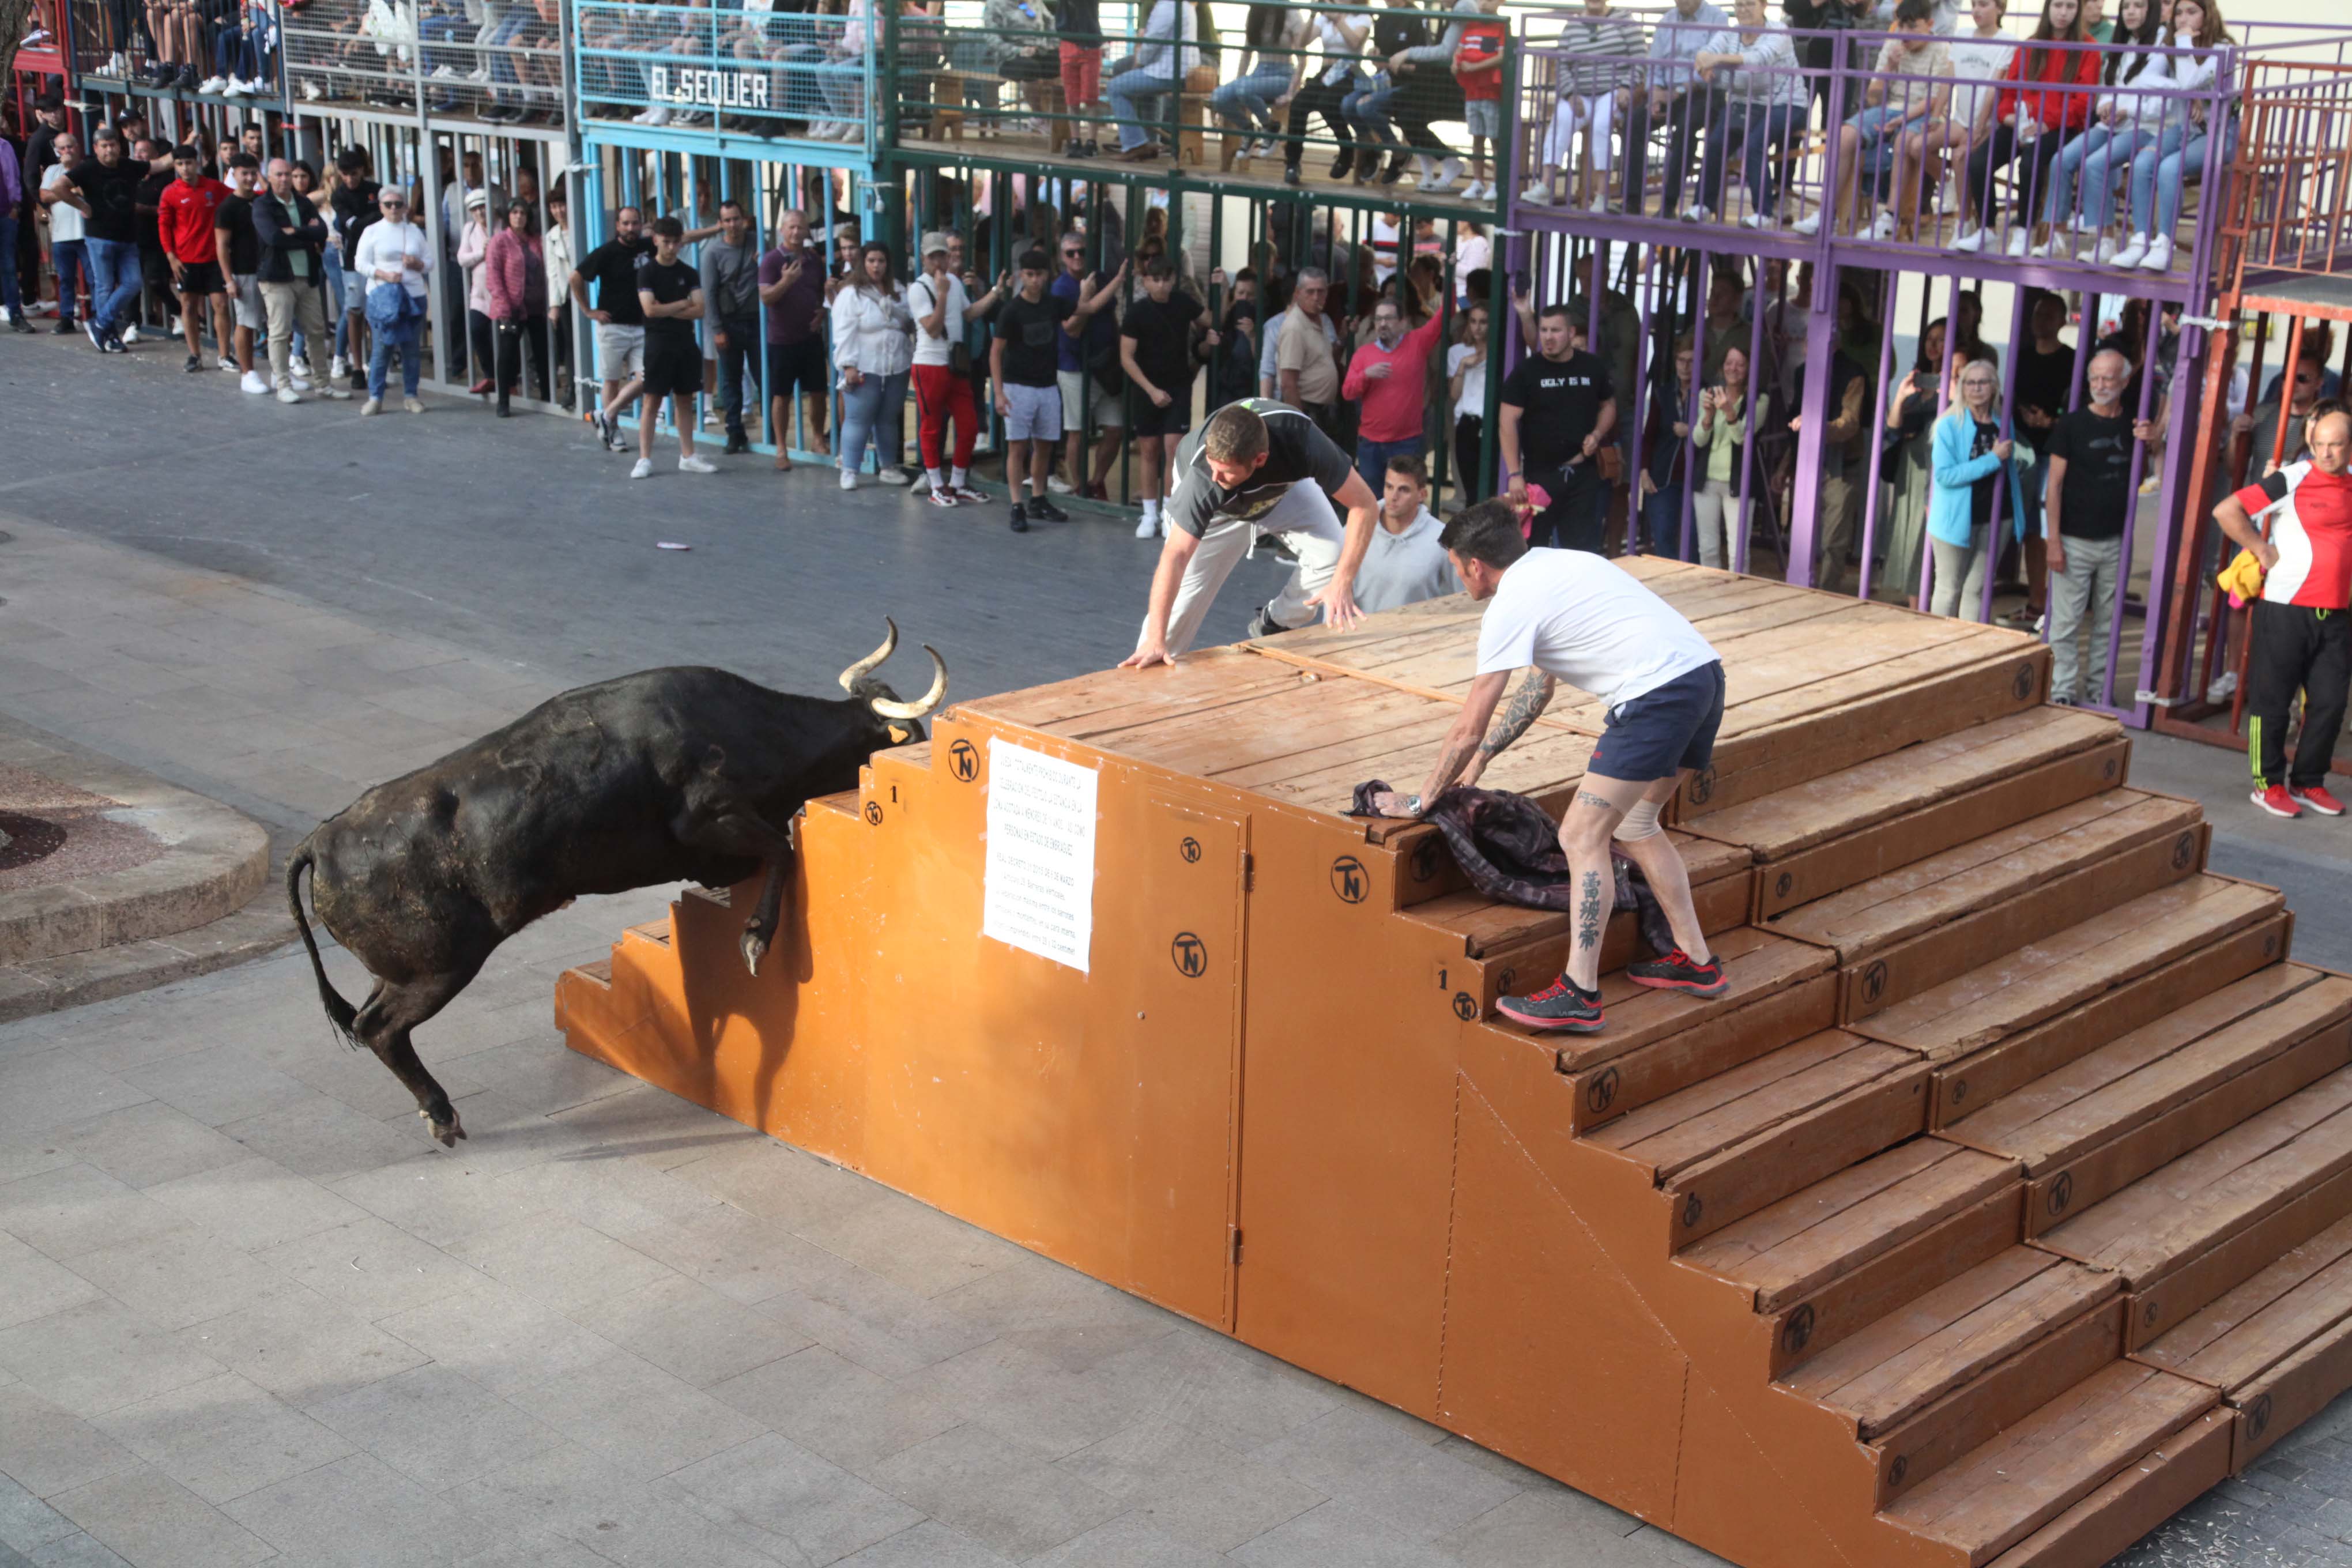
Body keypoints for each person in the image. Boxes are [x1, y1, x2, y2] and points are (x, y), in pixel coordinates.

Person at [1367, 502, 1729, 1034]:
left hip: (1655, 698)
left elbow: (1467, 723)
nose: (1457, 575)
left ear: (1474, 566)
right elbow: (1538, 687)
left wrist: (1423, 799)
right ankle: (1695, 961)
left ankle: (1579, 993)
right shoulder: (1563, 566)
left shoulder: (1509, 604)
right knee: (1636, 823)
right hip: (1704, 678)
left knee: (1581, 838)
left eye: (1454, 566)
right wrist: (1487, 756)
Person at [1123, 399, 1382, 659]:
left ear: (1260, 459)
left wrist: (1343, 582)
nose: (1216, 477)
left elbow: (1365, 504)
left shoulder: (1303, 441)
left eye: (1224, 472)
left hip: (1281, 492)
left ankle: (1276, 622)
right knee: (1172, 625)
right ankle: (1144, 672)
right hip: (1219, 514)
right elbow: (1176, 555)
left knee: (1336, 556)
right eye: (1213, 466)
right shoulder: (1204, 478)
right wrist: (1157, 638)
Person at [2213, 407, 2352, 819]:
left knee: (2329, 702)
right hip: (2286, 608)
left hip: (2337, 612)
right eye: (2320, 444)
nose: (2326, 453)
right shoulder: (2292, 477)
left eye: (2336, 445)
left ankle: (2309, 781)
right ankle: (2268, 784)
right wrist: (2260, 549)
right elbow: (2227, 510)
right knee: (2272, 702)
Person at [2044, 348, 2158, 703]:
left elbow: (2158, 475)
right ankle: (2061, 691)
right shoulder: (2072, 424)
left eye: (2108, 377)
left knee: (2109, 625)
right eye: (2095, 377)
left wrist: (2153, 442)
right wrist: (2053, 542)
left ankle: (2098, 693)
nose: (2100, 384)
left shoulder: (2134, 428)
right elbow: (2054, 486)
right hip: (2074, 539)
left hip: (2116, 541)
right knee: (2065, 624)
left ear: (2125, 382)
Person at [1794, 0, 1950, 239]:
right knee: (1845, 134)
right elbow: (1874, 96)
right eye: (1901, 26)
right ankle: (1828, 214)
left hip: (1924, 113)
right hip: (1891, 108)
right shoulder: (1893, 43)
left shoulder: (1941, 49)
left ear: (1929, 25)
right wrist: (1889, 66)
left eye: (1912, 27)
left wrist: (1902, 120)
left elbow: (1934, 99)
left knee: (1904, 141)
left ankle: (1889, 217)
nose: (1905, 34)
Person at [1954, 0, 2098, 257]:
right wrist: (2008, 117)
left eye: (2070, 7)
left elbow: (2083, 103)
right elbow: (2008, 92)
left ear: (2078, 12)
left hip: (2061, 126)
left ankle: (2024, 230)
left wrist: (2047, 123)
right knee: (1977, 161)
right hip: (2021, 124)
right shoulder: (2030, 45)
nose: (2063, 13)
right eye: (2058, 6)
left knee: (2030, 164)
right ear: (2048, 9)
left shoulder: (2088, 48)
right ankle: (1986, 229)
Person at [994, 246, 1117, 532]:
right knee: (1018, 447)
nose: (1034, 280)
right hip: (1018, 387)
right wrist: (999, 393)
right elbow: (995, 351)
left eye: (1039, 274)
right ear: (1022, 275)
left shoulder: (1053, 304)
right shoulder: (1012, 310)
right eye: (1029, 275)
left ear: (1047, 275)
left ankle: (1037, 498)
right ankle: (1016, 504)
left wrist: (1116, 282)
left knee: (1045, 446)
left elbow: (1088, 308)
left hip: (1048, 386)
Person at [2034, 0, 2163, 258]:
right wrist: (2105, 105)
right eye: (2126, 7)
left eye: (2139, 6)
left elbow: (2160, 98)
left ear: (2151, 11)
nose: (2131, 12)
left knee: (2095, 164)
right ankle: (2057, 235)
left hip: (2145, 126)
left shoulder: (2161, 43)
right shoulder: (2122, 42)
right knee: (2062, 159)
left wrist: (2128, 111)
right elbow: (2108, 83)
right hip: (2112, 124)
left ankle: (2105, 240)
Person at [2114, 0, 2230, 273]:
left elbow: (2191, 80)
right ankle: (2140, 240)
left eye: (2192, 12)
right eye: (2178, 13)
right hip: (2184, 129)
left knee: (2169, 168)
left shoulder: (2222, 49)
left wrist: (2185, 45)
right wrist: (2189, 94)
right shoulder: (2171, 47)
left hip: (2218, 134)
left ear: (2207, 14)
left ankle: (2164, 244)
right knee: (2143, 163)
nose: (2183, 18)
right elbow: (2145, 80)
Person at [1501, 304, 1615, 553]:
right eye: (1544, 330)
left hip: (1583, 473)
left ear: (1571, 333)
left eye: (1556, 330)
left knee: (1580, 553)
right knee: (1533, 551)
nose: (1548, 337)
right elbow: (1506, 421)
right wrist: (1513, 474)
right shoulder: (1527, 371)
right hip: (1540, 475)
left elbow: (1609, 405)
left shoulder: (1592, 367)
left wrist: (1597, 434)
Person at [1928, 360, 2035, 617]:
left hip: (1997, 516)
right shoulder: (1948, 425)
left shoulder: (2003, 422)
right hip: (1955, 519)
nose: (1977, 388)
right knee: (1948, 588)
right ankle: (1937, 647)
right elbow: (1945, 475)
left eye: (1983, 382)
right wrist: (1992, 459)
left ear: (1995, 386)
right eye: (1970, 382)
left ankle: (1967, 648)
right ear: (1962, 388)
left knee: (1976, 588)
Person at [1120, 255, 1218, 537]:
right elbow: (1126, 357)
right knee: (1149, 451)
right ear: (1146, 281)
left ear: (1174, 280)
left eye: (1166, 279)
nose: (1162, 285)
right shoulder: (1137, 313)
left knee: (1174, 451)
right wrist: (1150, 390)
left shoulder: (1183, 304)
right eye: (1156, 279)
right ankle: (1149, 515)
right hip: (1146, 390)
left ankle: (1168, 512)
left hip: (1177, 386)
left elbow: (1212, 321)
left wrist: (1219, 291)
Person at [1690, 0, 1808, 229]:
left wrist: (1716, 60)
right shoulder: (1730, 35)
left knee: (1755, 145)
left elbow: (1759, 60)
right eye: (1739, 5)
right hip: (1743, 103)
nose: (1743, 10)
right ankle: (1703, 206)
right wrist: (1704, 63)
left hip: (1786, 103)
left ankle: (1764, 213)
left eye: (1750, 4)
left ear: (1764, 6)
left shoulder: (1779, 31)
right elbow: (1705, 54)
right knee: (1715, 144)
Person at [909, 231, 1007, 506]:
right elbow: (932, 328)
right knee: (932, 426)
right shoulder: (919, 288)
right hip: (930, 365)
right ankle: (936, 483)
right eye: (934, 256)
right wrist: (941, 295)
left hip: (955, 365)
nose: (939, 261)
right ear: (923, 258)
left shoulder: (952, 281)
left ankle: (959, 481)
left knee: (969, 426)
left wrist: (995, 291)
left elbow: (969, 313)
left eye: (943, 254)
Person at [1529, 0, 1642, 212]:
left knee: (1601, 125)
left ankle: (1601, 195)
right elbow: (1562, 64)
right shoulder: (1572, 26)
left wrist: (1627, 87)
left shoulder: (1624, 20)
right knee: (1561, 119)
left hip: (1613, 91)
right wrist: (1570, 94)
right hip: (1580, 93)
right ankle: (1545, 186)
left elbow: (1640, 58)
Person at [1619, 0, 1728, 218]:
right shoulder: (1667, 20)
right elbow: (1655, 62)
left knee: (1686, 129)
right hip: (1668, 92)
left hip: (1704, 92)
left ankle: (1669, 203)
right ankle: (1632, 200)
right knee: (1634, 123)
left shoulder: (1718, 18)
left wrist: (1678, 90)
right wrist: (1656, 91)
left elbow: (1713, 67)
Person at [251, 156, 342, 406]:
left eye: (287, 175)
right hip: (277, 277)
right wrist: (305, 234)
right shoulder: (262, 205)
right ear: (269, 177)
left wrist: (295, 231)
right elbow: (273, 238)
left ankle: (323, 384)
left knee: (316, 330)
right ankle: (283, 384)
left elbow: (322, 233)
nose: (284, 179)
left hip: (307, 274)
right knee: (280, 333)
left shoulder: (302, 202)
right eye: (278, 175)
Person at [632, 214, 715, 480]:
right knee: (652, 401)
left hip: (684, 343)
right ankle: (644, 458)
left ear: (681, 243)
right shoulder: (647, 272)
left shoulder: (688, 273)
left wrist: (665, 309)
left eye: (675, 243)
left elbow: (700, 309)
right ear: (656, 240)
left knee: (684, 399)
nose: (670, 248)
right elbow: (649, 310)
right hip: (658, 344)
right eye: (665, 242)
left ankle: (688, 455)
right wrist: (681, 305)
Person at [1343, 292, 1445, 494]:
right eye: (1379, 319)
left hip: (1406, 443)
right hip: (1371, 445)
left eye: (1388, 318)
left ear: (1403, 322)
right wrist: (1366, 375)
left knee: (1406, 499)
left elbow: (1444, 316)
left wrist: (1450, 271)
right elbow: (1347, 392)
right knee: (1372, 500)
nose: (1382, 324)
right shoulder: (1364, 353)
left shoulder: (1417, 342)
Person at [572, 205, 652, 453]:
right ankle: (613, 430)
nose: (631, 228)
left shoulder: (649, 246)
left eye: (635, 223)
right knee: (611, 380)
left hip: (642, 327)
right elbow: (575, 277)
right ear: (617, 226)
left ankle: (605, 414)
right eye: (626, 224)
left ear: (641, 224)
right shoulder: (606, 252)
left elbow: (682, 238)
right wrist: (588, 311)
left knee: (648, 378)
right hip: (612, 327)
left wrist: (716, 227)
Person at [757, 209, 830, 472]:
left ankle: (818, 439)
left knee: (820, 393)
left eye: (800, 227)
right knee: (781, 396)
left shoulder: (813, 260)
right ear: (782, 230)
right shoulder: (771, 261)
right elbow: (766, 298)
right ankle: (781, 448)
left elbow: (823, 295)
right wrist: (786, 280)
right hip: (782, 340)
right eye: (791, 228)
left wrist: (822, 314)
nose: (796, 232)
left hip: (810, 337)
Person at [157, 142, 233, 375]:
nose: (185, 168)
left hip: (213, 259)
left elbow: (237, 198)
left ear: (197, 163)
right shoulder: (170, 193)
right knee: (188, 306)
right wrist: (171, 256)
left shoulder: (214, 187)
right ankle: (195, 355)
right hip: (186, 260)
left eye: (189, 163)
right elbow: (164, 226)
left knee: (221, 305)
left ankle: (224, 355)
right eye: (180, 164)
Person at [352, 185, 429, 413]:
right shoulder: (372, 231)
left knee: (411, 349)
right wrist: (384, 274)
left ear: (406, 207)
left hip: (413, 296)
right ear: (381, 207)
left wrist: (417, 264)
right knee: (381, 349)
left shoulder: (414, 231)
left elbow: (430, 261)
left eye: (398, 204)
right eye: (389, 204)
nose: (394, 208)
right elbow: (360, 263)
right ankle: (375, 397)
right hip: (384, 297)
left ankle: (411, 395)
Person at [69, 126, 144, 354]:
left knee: (133, 282)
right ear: (96, 149)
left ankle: (100, 323)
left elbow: (157, 164)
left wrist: (188, 142)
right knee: (104, 287)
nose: (109, 150)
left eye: (113, 145)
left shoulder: (128, 166)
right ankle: (109, 335)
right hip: (99, 237)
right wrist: (82, 206)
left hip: (127, 237)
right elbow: (58, 187)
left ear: (120, 147)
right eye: (105, 146)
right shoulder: (88, 168)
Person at [1354, 454, 1461, 611]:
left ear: (1422, 495)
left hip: (1421, 633)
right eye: (1389, 487)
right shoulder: (1356, 527)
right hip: (1361, 633)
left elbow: (1461, 598)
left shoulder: (1443, 540)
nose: (1393, 497)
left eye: (1403, 490)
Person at [1690, 342, 1762, 569]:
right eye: (1729, 363)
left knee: (1737, 552)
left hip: (1737, 484)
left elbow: (1742, 439)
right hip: (1707, 481)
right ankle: (1711, 597)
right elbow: (1698, 440)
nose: (1734, 369)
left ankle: (1737, 598)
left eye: (1740, 364)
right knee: (1708, 548)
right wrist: (1708, 417)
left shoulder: (1759, 400)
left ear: (1749, 369)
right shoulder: (1707, 394)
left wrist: (1730, 412)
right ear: (1722, 367)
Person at [1105, 0, 1198, 162]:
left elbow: (1152, 42)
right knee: (1141, 87)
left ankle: (1135, 144)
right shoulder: (1184, 5)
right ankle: (1147, 141)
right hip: (1183, 71)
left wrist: (1139, 62)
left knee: (1115, 87)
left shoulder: (1167, 6)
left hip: (1168, 73)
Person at [484, 199, 548, 416]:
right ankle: (504, 401)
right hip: (511, 307)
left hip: (537, 306)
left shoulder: (536, 241)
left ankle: (548, 397)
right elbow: (493, 276)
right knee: (507, 353)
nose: (519, 216)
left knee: (542, 352)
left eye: (523, 213)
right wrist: (503, 305)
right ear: (508, 217)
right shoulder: (500, 242)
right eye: (515, 213)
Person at [214, 155, 267, 393]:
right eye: (244, 173)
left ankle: (279, 373)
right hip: (243, 271)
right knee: (246, 323)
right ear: (233, 174)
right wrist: (228, 280)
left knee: (276, 323)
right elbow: (222, 246)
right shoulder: (227, 208)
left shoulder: (261, 202)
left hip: (267, 270)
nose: (249, 178)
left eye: (253, 173)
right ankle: (248, 373)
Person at [1275, 267, 1344, 444]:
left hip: (1323, 412)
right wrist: (1303, 426)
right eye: (1310, 292)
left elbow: (1322, 360)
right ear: (1298, 293)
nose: (1316, 297)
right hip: (1308, 412)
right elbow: (1288, 384)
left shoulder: (1318, 319)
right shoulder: (1295, 328)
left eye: (1320, 292)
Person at [1451, 0, 1509, 202]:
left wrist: (1475, 67)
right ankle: (1477, 182)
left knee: (1495, 139)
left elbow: (1501, 56)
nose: (1485, 3)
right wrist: (1455, 63)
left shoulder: (1503, 26)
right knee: (1477, 137)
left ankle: (1497, 183)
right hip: (1472, 92)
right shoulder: (1471, 25)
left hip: (1491, 92)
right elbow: (1459, 50)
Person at [2237, 354, 2327, 482]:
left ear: (2319, 383)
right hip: (2256, 499)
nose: (2293, 383)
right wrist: (2235, 436)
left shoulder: (2324, 425)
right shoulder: (2261, 415)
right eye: (2287, 376)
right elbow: (2233, 468)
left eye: (2302, 378)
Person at [39, 132, 90, 341]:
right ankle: (67, 317)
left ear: (77, 147)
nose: (67, 151)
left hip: (87, 234)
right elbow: (44, 196)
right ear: (57, 151)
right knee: (66, 280)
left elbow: (89, 193)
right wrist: (73, 190)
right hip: (61, 235)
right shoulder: (53, 171)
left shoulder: (87, 168)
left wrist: (61, 192)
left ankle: (95, 316)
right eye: (63, 148)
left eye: (70, 146)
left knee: (94, 278)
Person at [1449, 299, 1492, 504]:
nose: (1477, 327)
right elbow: (1454, 395)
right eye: (1473, 321)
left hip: (1491, 422)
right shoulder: (1458, 352)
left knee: (1490, 490)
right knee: (1470, 490)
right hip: (1466, 422)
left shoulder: (1499, 354)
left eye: (1483, 322)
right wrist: (1462, 367)